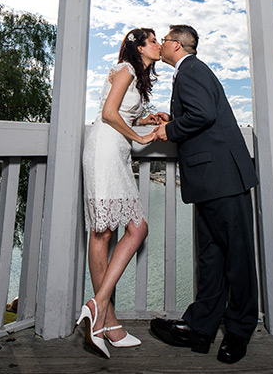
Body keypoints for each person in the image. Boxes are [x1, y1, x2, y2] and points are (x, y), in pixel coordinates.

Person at [149, 25, 259, 365]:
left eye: (164, 40)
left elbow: (204, 114)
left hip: (222, 177)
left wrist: (169, 128)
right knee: (211, 257)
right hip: (211, 179)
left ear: (177, 45)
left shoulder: (191, 70)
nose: (162, 45)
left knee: (236, 258)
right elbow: (198, 114)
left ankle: (240, 331)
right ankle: (200, 327)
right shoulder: (191, 73)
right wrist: (173, 117)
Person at [76, 28, 169, 358]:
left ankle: (101, 313)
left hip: (115, 152)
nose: (159, 45)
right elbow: (108, 114)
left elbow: (123, 113)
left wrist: (146, 119)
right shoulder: (126, 69)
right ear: (140, 48)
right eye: (154, 41)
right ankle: (104, 315)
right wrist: (142, 137)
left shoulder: (136, 76)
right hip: (103, 151)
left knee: (127, 229)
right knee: (104, 231)